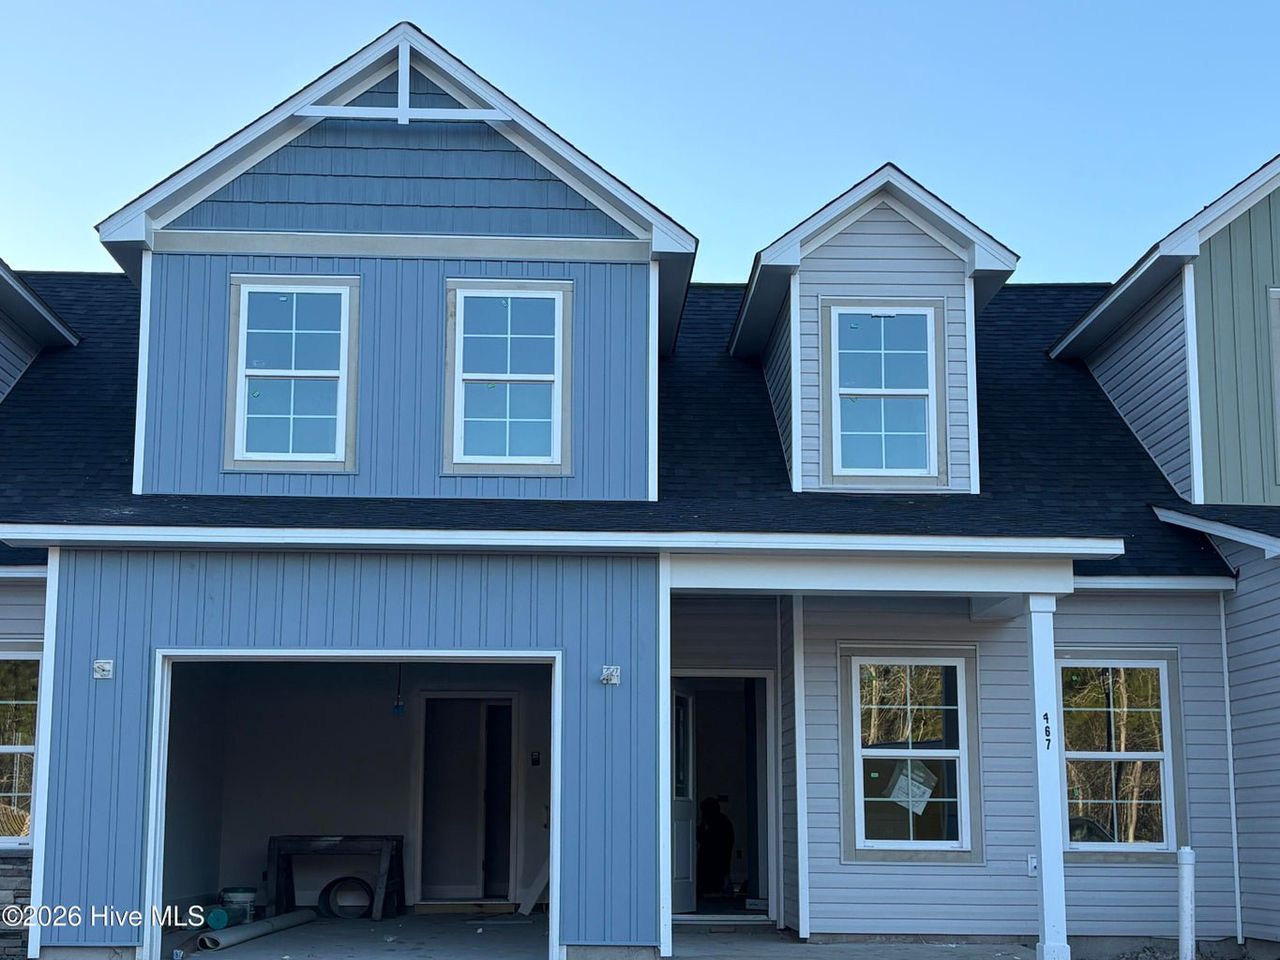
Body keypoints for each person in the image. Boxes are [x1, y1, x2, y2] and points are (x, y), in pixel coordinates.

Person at [696, 797, 735, 898]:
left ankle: (714, 889)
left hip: (718, 856)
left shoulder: (720, 823)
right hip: (716, 855)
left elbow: (707, 840)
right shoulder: (716, 821)